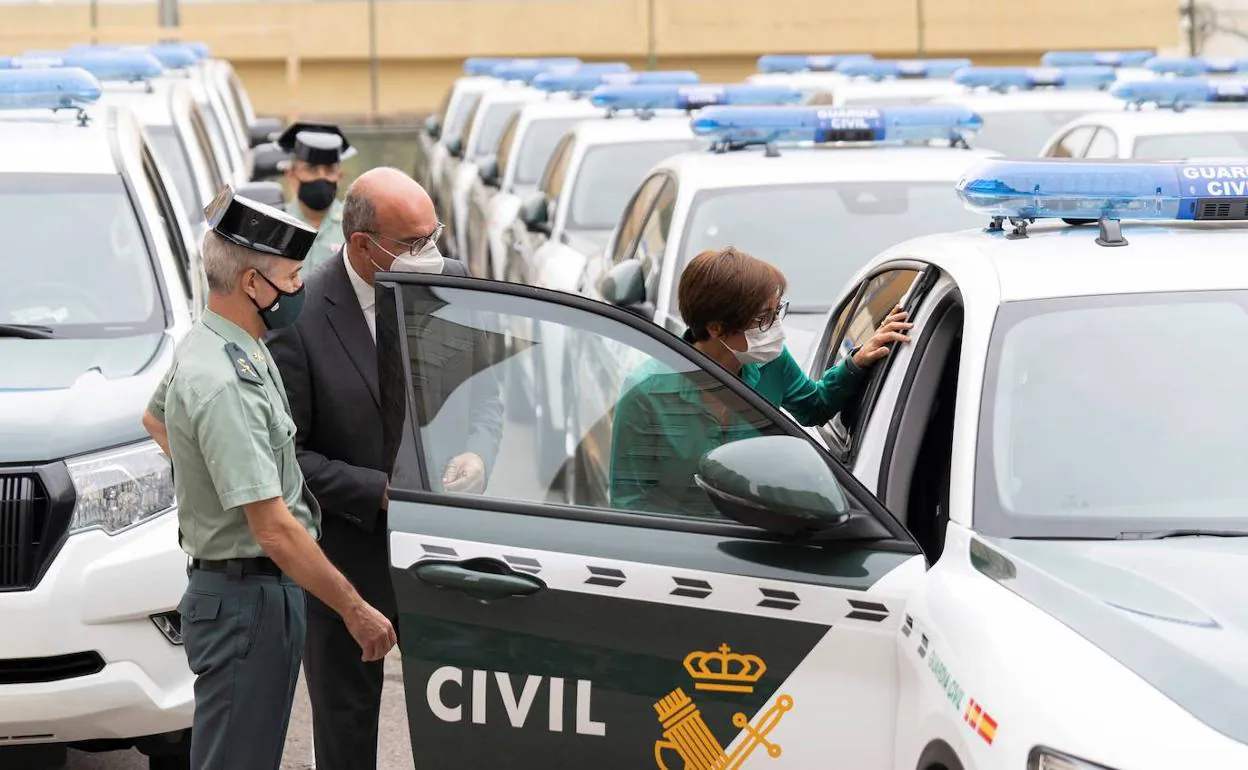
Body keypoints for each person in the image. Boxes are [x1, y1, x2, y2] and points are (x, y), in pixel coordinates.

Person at [140, 186, 397, 770]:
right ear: (254, 284)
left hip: (254, 593)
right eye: (293, 274)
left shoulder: (222, 343)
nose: (302, 286)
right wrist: (355, 609)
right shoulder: (224, 381)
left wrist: (213, 485)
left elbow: (156, 418)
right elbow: (275, 530)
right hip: (245, 601)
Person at [264, 166, 504, 770]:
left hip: (447, 559)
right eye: (412, 243)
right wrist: (378, 493)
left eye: (434, 236)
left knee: (462, 729)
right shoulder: (300, 316)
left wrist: (478, 451)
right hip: (348, 562)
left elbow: (487, 396)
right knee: (345, 734)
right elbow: (286, 457)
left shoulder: (452, 287)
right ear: (363, 245)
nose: (431, 254)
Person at [609, 247, 911, 514]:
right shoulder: (646, 390)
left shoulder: (770, 362)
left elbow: (814, 407)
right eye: (763, 318)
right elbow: (630, 502)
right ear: (716, 328)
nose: (776, 327)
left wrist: (857, 362)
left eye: (778, 312)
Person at [276, 121, 355, 273]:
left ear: (339, 176)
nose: (321, 177)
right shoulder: (275, 227)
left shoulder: (354, 228)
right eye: (311, 169)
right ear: (291, 175)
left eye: (329, 170)